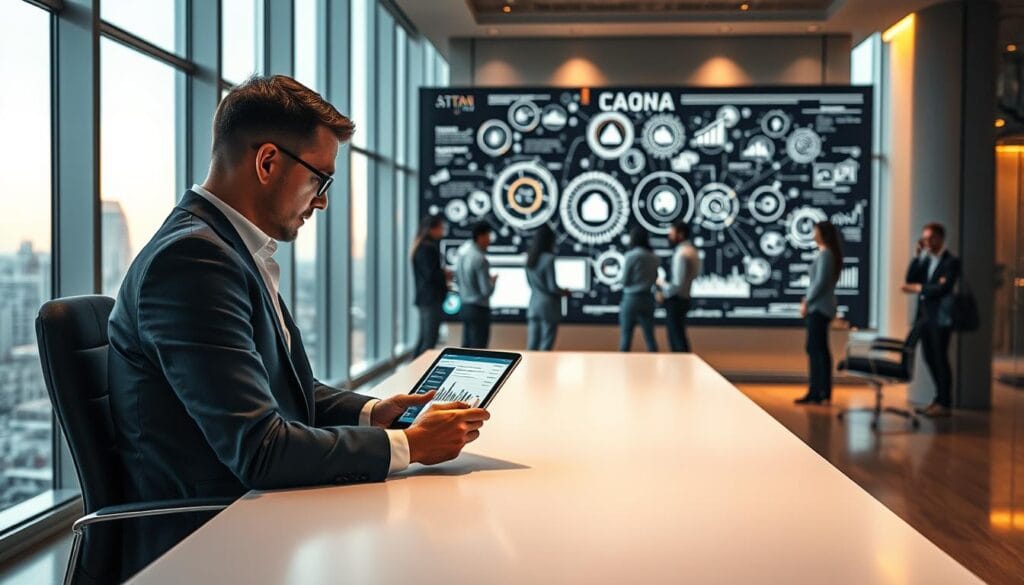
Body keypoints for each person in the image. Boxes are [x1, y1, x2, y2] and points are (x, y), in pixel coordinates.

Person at [106, 75, 489, 579]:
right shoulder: (194, 259)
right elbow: (260, 449)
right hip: (209, 536)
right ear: (267, 162)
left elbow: (279, 385)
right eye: (320, 179)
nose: (323, 201)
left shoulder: (226, 247)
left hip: (251, 510)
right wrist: (411, 446)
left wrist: (375, 413)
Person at [902, 222, 961, 417]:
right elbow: (910, 279)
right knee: (928, 358)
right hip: (924, 318)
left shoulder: (951, 261)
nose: (925, 242)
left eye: (928, 238)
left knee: (940, 358)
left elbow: (943, 288)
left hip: (940, 319)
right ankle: (938, 399)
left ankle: (945, 402)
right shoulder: (926, 260)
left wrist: (920, 288)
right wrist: (917, 256)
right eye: (924, 238)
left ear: (939, 238)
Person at [795, 221, 842, 405]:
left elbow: (820, 283)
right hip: (822, 307)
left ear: (822, 234)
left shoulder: (826, 255)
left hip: (819, 308)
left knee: (816, 350)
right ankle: (821, 391)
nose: (813, 234)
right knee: (818, 349)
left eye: (815, 231)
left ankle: (817, 391)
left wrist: (807, 301)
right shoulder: (828, 254)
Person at [656, 221, 700, 352]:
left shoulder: (681, 254)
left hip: (676, 301)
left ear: (680, 234)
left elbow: (677, 284)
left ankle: (681, 370)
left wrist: (663, 289)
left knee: (676, 341)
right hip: (685, 298)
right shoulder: (693, 251)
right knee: (680, 337)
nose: (669, 236)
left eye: (672, 232)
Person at [526, 224, 569, 351]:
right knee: (546, 345)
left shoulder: (529, 259)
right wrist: (564, 292)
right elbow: (552, 287)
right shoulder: (549, 259)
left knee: (532, 345)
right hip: (548, 307)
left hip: (533, 304)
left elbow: (530, 283)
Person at [411, 214, 449, 358]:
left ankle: (413, 375)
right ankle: (418, 375)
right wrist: (444, 275)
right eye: (440, 227)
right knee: (429, 342)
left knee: (424, 339)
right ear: (432, 229)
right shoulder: (427, 248)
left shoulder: (420, 246)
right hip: (431, 299)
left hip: (426, 299)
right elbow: (431, 275)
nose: (443, 231)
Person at [455, 221, 498, 348]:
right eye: (488, 236)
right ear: (481, 236)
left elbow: (457, 278)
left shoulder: (463, 253)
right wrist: (493, 282)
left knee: (466, 348)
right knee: (479, 350)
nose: (490, 240)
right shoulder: (480, 259)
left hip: (465, 306)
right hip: (479, 309)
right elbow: (486, 291)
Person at [619, 227, 660, 352]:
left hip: (631, 299)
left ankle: (622, 366)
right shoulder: (654, 257)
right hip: (648, 299)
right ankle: (655, 367)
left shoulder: (631, 256)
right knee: (650, 337)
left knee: (626, 336)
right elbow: (655, 278)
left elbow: (625, 280)